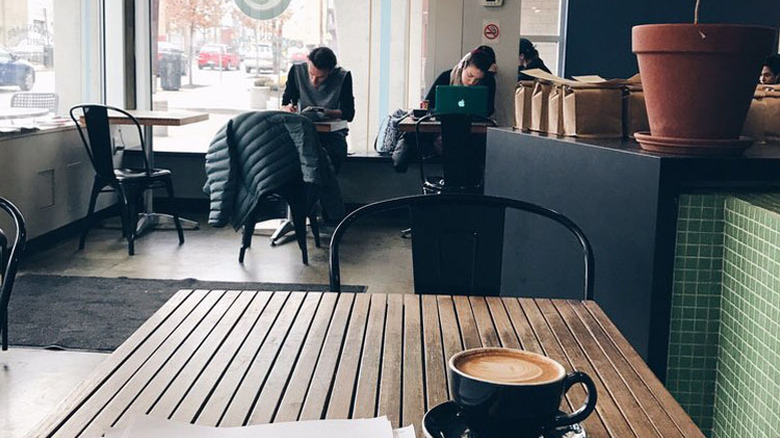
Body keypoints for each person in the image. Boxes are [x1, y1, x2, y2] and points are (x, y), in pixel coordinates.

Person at [392, 48, 496, 173]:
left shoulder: (488, 82)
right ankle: (457, 184)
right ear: (463, 66)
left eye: (477, 80)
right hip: (441, 135)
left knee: (467, 149)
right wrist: (437, 111)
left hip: (468, 136)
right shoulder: (446, 77)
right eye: (470, 75)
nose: (472, 82)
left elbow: (489, 110)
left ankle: (460, 184)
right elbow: (427, 105)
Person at [282, 46, 355, 172]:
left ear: (331, 71)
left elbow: (348, 113)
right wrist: (288, 108)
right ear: (308, 63)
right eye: (311, 74)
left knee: (331, 156)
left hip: (332, 134)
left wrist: (325, 113)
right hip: (302, 130)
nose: (314, 81)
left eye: (321, 77)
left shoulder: (343, 76)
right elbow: (286, 102)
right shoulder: (297, 71)